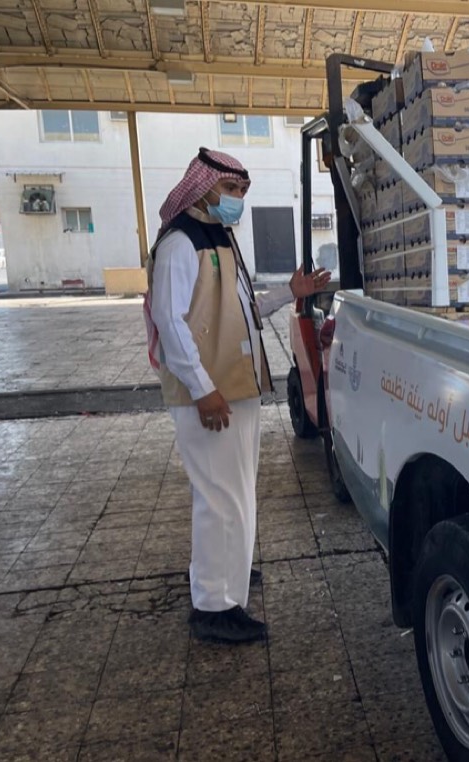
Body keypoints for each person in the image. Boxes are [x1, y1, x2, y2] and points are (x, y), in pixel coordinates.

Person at [143, 147, 330, 644]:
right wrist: (203, 390)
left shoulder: (220, 238)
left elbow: (244, 309)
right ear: (203, 188)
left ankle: (229, 569)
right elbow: (169, 322)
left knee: (236, 491)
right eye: (230, 189)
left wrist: (290, 292)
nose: (237, 199)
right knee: (218, 498)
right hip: (209, 393)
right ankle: (213, 606)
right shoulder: (180, 243)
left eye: (242, 191)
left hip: (236, 386)